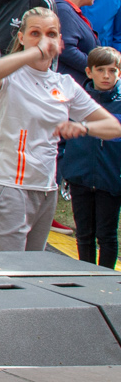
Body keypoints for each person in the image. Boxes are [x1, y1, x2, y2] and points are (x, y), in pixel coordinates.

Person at [0, 6, 121, 251]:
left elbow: (112, 127)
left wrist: (83, 127)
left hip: (46, 188)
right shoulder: (10, 76)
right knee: (4, 274)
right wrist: (32, 53)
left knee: (33, 274)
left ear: (60, 41)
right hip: (9, 185)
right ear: (21, 37)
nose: (44, 41)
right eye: (35, 33)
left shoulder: (65, 84)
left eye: (52, 34)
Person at [63, 46, 121, 268]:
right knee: (84, 234)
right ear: (89, 72)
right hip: (80, 177)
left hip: (111, 179)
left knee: (106, 234)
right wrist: (64, 170)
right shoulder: (78, 101)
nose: (106, 76)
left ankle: (105, 277)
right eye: (100, 70)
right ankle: (85, 275)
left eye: (112, 70)